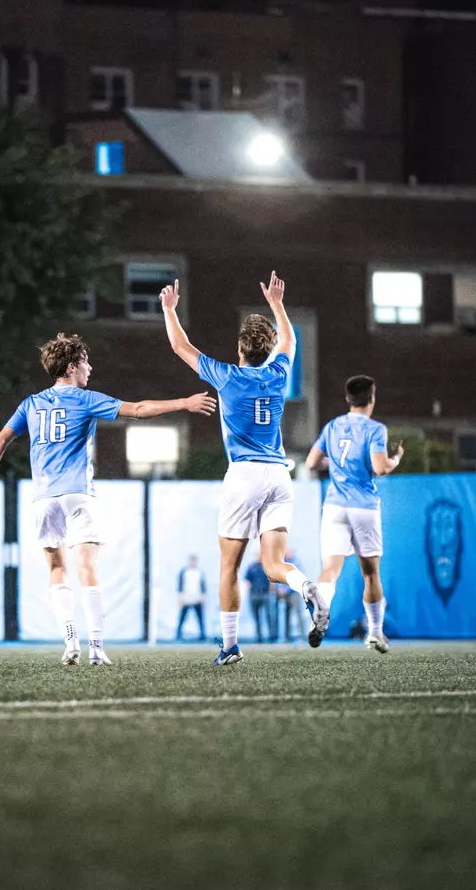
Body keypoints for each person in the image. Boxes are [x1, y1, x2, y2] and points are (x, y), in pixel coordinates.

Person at [0, 332, 217, 666]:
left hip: (43, 498)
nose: (90, 367)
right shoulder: (84, 400)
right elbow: (139, 409)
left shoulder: (31, 404)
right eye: (86, 361)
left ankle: (70, 641)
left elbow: (1, 439)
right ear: (72, 367)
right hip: (77, 494)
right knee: (87, 566)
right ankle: (96, 647)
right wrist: (183, 403)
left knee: (56, 569)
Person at [160, 272, 328, 665]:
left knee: (229, 566)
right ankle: (305, 585)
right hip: (280, 476)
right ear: (267, 350)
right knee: (273, 566)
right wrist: (277, 304)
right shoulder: (278, 373)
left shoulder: (227, 375)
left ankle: (231, 647)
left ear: (240, 348)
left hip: (245, 475)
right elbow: (291, 340)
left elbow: (180, 346)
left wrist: (170, 310)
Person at [305, 374, 404, 653]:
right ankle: (374, 633)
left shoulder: (333, 426)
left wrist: (338, 464)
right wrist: (395, 458)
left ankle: (321, 611)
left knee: (330, 570)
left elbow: (312, 463)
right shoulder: (375, 429)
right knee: (371, 574)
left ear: (348, 399)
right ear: (371, 398)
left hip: (334, 506)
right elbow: (379, 467)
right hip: (363, 507)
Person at [243, 558, 275, 643]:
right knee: (256, 618)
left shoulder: (267, 566)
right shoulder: (251, 567)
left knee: (269, 617)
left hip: (265, 594)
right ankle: (259, 638)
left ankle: (271, 637)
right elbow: (247, 580)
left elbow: (272, 580)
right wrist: (248, 593)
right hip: (254, 595)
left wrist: (271, 592)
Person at [176, 555, 207, 640]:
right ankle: (178, 635)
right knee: (182, 618)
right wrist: (180, 599)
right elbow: (180, 586)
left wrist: (204, 598)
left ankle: (202, 635)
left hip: (197, 599)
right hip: (186, 599)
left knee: (200, 619)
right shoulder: (184, 572)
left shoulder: (200, 572)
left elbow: (203, 586)